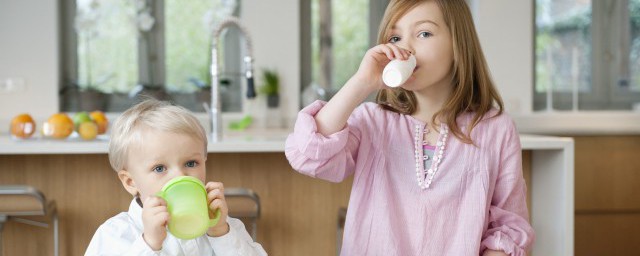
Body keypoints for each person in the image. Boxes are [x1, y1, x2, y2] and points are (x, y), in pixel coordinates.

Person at [285, 0, 534, 255]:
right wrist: (361, 82)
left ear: (459, 43)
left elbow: (507, 227)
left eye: (424, 33)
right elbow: (307, 155)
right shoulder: (372, 122)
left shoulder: (496, 130)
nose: (405, 48)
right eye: (395, 37)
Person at [86, 99, 266, 255]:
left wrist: (221, 233)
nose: (179, 176)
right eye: (159, 168)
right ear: (131, 182)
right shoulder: (115, 233)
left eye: (190, 163)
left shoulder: (225, 226)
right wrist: (149, 244)